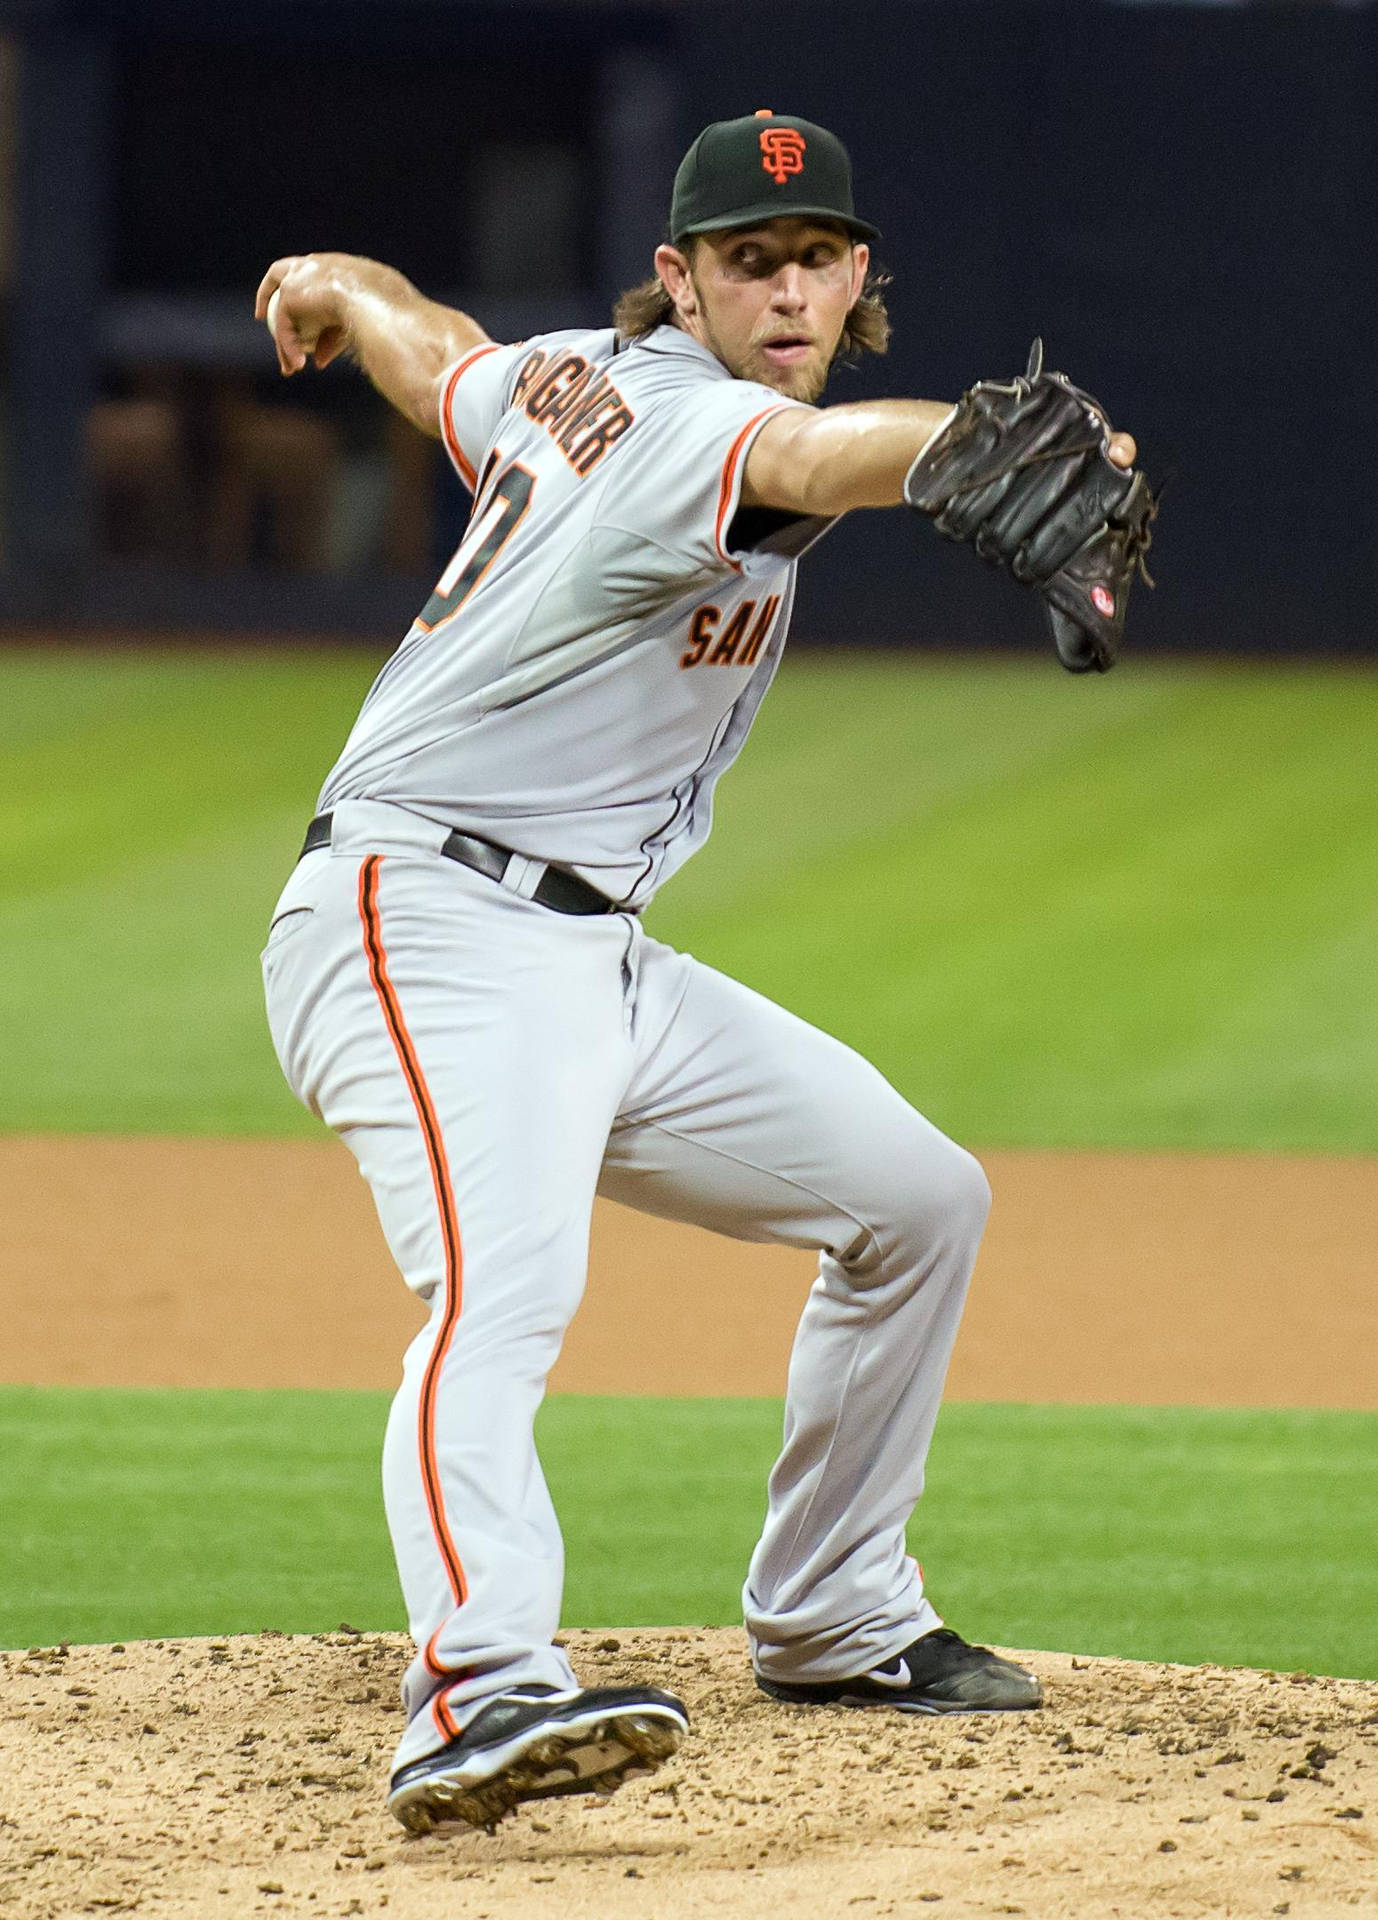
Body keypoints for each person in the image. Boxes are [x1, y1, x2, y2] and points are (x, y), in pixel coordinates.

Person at [257, 110, 1138, 1836]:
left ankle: (831, 1613)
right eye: (750, 261)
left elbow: (445, 362)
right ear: (682, 279)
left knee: (917, 1202)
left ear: (860, 269)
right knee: (500, 1297)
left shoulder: (564, 379)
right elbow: (824, 463)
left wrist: (343, 284)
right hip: (422, 921)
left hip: (597, 957)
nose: (789, 288)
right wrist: (967, 434)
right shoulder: (690, 419)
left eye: (816, 257)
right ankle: (477, 1690)